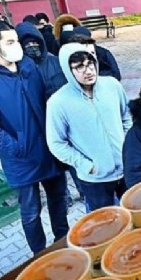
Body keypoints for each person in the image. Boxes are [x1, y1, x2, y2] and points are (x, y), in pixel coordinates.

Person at [0, 21, 69, 254]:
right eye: (10, 42)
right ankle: (40, 255)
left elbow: (45, 98)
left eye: (16, 41)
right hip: (21, 158)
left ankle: (63, 242)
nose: (17, 47)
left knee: (58, 200)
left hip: (48, 149)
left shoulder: (28, 66)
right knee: (31, 210)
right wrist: (17, 146)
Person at [46, 43, 131, 212]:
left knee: (135, 210)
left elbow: (126, 117)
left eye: (90, 63)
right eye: (79, 67)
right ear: (68, 70)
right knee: (106, 223)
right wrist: (86, 165)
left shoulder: (112, 86)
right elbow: (56, 143)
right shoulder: (58, 102)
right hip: (95, 179)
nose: (88, 71)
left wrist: (128, 148)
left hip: (126, 168)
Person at [15, 22, 67, 97]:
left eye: (34, 43)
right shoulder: (17, 69)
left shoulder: (56, 61)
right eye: (27, 44)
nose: (32, 46)